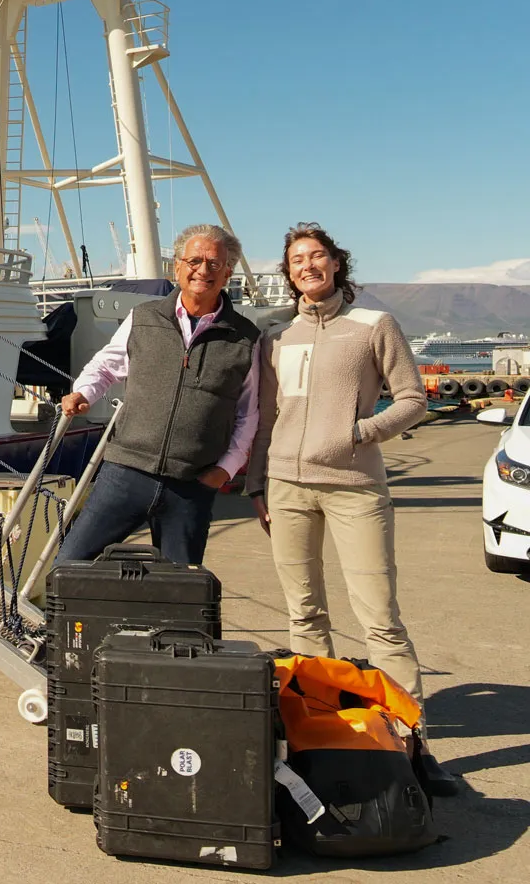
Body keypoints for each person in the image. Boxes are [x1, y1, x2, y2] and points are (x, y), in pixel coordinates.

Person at [246, 222, 455, 794]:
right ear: (288, 273)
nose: (307, 266)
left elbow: (412, 399)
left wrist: (359, 431)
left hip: (354, 487)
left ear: (337, 264)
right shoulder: (277, 338)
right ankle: (327, 738)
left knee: (379, 618)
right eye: (296, 260)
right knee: (304, 615)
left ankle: (412, 746)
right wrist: (259, 485)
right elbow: (266, 417)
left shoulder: (373, 326)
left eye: (317, 257)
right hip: (287, 488)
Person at [54, 223, 261, 566]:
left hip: (191, 484)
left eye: (214, 264)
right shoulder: (143, 318)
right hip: (124, 473)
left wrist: (224, 471)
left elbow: (247, 414)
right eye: (194, 261)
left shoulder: (246, 339)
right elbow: (105, 367)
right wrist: (83, 392)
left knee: (181, 592)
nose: (203, 270)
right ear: (177, 266)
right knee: (69, 566)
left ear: (228, 273)